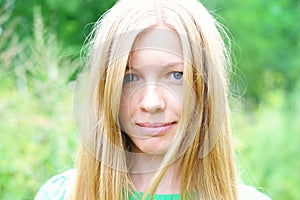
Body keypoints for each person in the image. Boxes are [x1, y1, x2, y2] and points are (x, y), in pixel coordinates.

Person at [35, 0, 271, 199]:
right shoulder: (61, 195)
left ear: (207, 89)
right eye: (129, 77)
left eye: (176, 76)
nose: (151, 103)